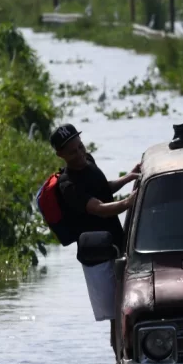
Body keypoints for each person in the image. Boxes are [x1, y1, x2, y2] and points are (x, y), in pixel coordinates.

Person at [49, 124, 140, 348]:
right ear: (60, 155)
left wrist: (129, 177)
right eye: (72, 152)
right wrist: (129, 202)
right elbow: (98, 207)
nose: (79, 154)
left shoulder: (88, 160)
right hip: (97, 254)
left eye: (80, 147)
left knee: (128, 306)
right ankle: (119, 358)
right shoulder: (67, 185)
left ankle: (128, 351)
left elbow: (103, 187)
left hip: (116, 242)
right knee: (114, 314)